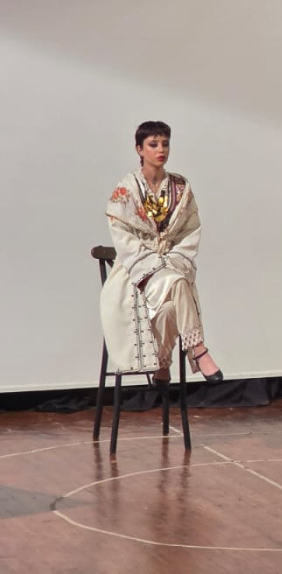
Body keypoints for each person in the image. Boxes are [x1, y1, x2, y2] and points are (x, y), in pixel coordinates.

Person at [99, 121, 223, 383]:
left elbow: (190, 230)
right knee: (178, 282)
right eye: (153, 144)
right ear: (139, 149)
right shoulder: (126, 190)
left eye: (165, 144)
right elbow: (123, 236)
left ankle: (162, 363)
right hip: (135, 270)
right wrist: (156, 262)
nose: (161, 150)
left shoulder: (180, 187)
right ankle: (199, 349)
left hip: (172, 264)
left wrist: (173, 259)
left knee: (168, 309)